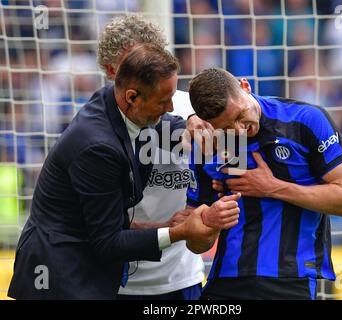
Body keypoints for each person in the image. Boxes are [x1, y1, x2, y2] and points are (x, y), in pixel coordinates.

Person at [7, 46, 240, 300]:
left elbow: (164, 126)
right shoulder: (98, 148)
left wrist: (194, 124)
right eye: (163, 101)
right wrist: (179, 232)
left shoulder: (113, 102)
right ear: (131, 97)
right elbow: (108, 242)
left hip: (83, 269)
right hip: (60, 278)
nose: (171, 106)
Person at [187, 67, 342, 300]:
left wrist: (272, 187)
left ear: (245, 86)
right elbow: (196, 244)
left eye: (241, 115)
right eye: (228, 127)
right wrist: (209, 221)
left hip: (290, 279)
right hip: (226, 278)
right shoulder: (207, 143)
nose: (241, 129)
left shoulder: (305, 120)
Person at [96, 14, 213, 300]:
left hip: (180, 275)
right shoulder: (97, 124)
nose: (144, 70)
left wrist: (203, 211)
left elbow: (227, 170)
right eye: (132, 65)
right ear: (113, 72)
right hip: (113, 279)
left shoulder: (190, 109)